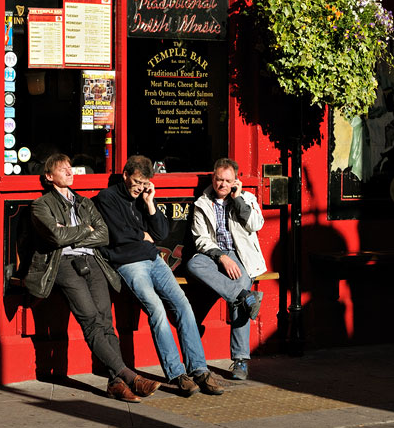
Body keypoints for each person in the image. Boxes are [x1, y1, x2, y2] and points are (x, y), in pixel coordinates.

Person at [26, 153, 161, 403]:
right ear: (48, 176)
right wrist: (82, 230)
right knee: (90, 320)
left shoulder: (85, 202)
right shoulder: (41, 205)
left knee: (105, 321)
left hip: (93, 261)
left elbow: (103, 235)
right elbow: (56, 237)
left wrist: (72, 233)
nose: (70, 172)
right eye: (63, 169)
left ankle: (115, 383)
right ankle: (128, 376)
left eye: (70, 168)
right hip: (63, 264)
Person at [95, 155, 224, 397]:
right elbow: (118, 235)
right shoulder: (108, 198)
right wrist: (142, 235)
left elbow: (161, 232)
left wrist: (151, 203)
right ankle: (176, 374)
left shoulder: (143, 198)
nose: (140, 187)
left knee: (184, 305)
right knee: (156, 309)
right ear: (125, 176)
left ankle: (199, 369)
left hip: (154, 260)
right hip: (129, 264)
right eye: (136, 182)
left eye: (144, 183)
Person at [186, 158, 266, 381]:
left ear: (235, 181)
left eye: (228, 181)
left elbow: (255, 225)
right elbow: (200, 239)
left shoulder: (246, 198)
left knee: (241, 282)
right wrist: (221, 257)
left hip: (240, 256)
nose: (222, 184)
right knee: (194, 264)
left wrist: (238, 198)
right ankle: (243, 297)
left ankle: (240, 360)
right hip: (214, 255)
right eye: (219, 179)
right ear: (213, 178)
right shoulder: (203, 202)